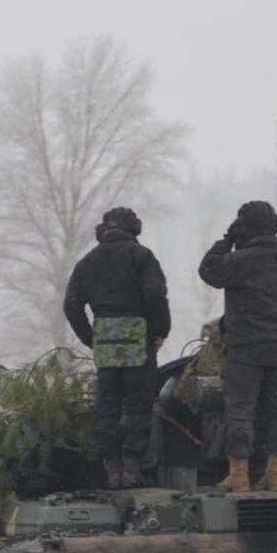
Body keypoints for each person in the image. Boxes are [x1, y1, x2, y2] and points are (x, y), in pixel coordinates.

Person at [198, 200, 277, 493]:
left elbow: (208, 270)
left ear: (244, 228)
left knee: (240, 409)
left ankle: (239, 475)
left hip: (244, 348)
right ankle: (275, 474)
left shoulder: (239, 262)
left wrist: (226, 240)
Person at [63, 207, 171, 489]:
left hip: (105, 340)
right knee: (139, 403)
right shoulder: (142, 256)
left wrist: (91, 337)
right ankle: (133, 466)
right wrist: (160, 331)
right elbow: (155, 295)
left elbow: (71, 305)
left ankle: (112, 467)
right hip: (139, 338)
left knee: (107, 404)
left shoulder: (87, 262)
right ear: (133, 229)